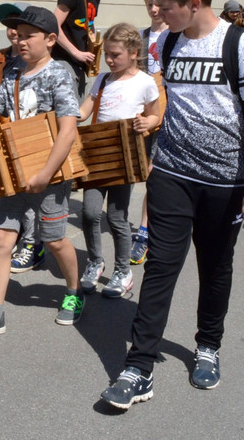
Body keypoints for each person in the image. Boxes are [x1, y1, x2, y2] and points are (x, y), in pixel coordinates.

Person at [100, 0, 244, 410]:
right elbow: (167, 100)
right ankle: (139, 367)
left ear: (193, 3)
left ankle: (208, 345)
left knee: (214, 267)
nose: (156, 12)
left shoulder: (239, 44)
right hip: (172, 174)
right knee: (160, 266)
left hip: (226, 182)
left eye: (164, 5)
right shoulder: (168, 42)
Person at [0, 6, 83, 336]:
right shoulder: (13, 73)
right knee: (1, 239)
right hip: (13, 173)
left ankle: (74, 291)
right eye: (18, 35)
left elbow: (68, 130)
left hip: (49, 174)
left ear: (50, 39)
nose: (20, 41)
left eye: (28, 36)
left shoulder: (60, 73)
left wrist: (46, 174)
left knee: (54, 240)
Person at [77, 24, 160, 298]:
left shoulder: (145, 82)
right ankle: (95, 261)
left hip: (125, 157)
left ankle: (123, 271)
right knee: (89, 213)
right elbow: (85, 110)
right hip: (96, 154)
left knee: (116, 217)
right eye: (107, 55)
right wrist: (68, 115)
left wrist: (147, 122)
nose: (110, 60)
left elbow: (155, 115)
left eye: (116, 55)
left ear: (134, 53)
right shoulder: (102, 80)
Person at [0, 2, 45, 275]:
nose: (14, 33)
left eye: (20, 29)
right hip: (5, 130)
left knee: (28, 192)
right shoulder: (3, 57)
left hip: (30, 134)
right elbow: (2, 95)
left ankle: (33, 243)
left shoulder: (40, 62)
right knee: (0, 187)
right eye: (10, 27)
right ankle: (25, 236)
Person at [131, 0, 169, 265]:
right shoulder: (141, 36)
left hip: (166, 111)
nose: (154, 9)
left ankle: (144, 231)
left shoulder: (176, 35)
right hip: (142, 111)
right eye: (149, 5)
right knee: (140, 169)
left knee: (155, 173)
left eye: (158, 5)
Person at [54, 0, 118, 97]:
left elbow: (89, 22)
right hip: (64, 61)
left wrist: (94, 49)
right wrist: (76, 53)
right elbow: (54, 26)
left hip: (81, 62)